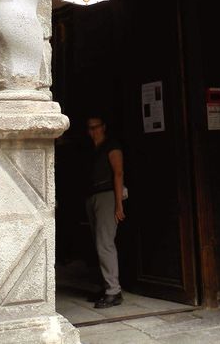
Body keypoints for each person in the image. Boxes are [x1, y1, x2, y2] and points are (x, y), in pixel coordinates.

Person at [85, 115, 125, 308]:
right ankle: (106, 286)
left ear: (104, 127)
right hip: (93, 196)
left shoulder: (112, 145)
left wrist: (118, 204)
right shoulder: (93, 149)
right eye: (90, 128)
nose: (93, 131)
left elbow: (118, 173)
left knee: (105, 244)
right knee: (99, 244)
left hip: (107, 196)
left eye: (97, 127)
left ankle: (113, 291)